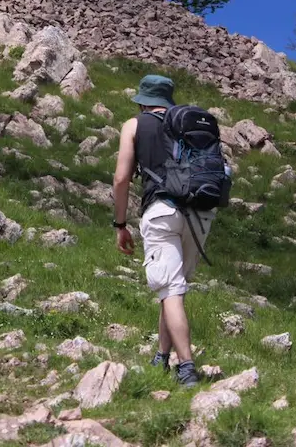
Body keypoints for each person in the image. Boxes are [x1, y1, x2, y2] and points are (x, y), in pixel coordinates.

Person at [111, 74, 216, 388]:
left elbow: (120, 179)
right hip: (200, 213)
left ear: (143, 101)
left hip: (161, 210)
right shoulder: (187, 123)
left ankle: (186, 367)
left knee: (170, 289)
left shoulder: (135, 125)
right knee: (173, 287)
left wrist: (120, 224)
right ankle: (161, 355)